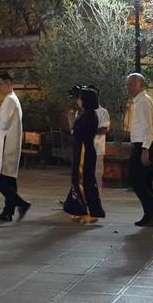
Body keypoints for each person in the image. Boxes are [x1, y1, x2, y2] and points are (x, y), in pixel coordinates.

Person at [125, 73, 153, 227]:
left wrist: (144, 149)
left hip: (144, 145)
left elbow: (147, 127)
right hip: (146, 144)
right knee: (146, 183)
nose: (128, 87)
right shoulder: (141, 100)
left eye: (131, 84)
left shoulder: (143, 101)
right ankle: (150, 216)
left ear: (140, 85)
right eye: (127, 84)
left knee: (136, 180)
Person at [0, 72, 30, 222]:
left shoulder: (10, 100)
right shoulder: (12, 99)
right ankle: (8, 212)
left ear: (8, 84)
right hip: (10, 145)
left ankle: (22, 203)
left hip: (6, 147)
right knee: (9, 180)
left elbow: (4, 124)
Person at [64, 86, 105, 222]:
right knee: (85, 180)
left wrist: (71, 120)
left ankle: (83, 211)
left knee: (81, 180)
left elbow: (76, 132)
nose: (78, 100)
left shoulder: (88, 116)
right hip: (84, 149)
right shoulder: (89, 114)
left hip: (83, 151)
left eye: (80, 98)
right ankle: (81, 209)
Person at [88, 84, 110, 194]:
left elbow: (104, 129)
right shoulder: (82, 111)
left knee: (97, 175)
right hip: (84, 149)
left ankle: (96, 197)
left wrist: (87, 130)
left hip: (97, 150)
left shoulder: (103, 112)